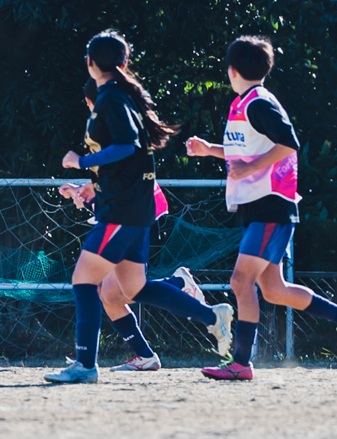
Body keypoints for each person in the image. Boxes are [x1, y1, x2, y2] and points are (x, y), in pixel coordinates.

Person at [45, 32, 232, 384]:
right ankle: (211, 317)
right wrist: (93, 187)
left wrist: (81, 161)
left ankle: (85, 364)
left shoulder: (112, 99)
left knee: (84, 280)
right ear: (123, 62)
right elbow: (126, 162)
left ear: (90, 62)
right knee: (131, 289)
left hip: (122, 212)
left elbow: (127, 148)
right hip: (132, 210)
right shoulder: (122, 97)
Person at [185, 36, 337, 381]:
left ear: (231, 70)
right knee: (273, 290)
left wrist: (249, 169)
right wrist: (210, 150)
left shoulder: (259, 103)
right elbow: (247, 151)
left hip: (270, 206)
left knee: (240, 281)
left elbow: (289, 144)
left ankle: (241, 362)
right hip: (256, 207)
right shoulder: (243, 103)